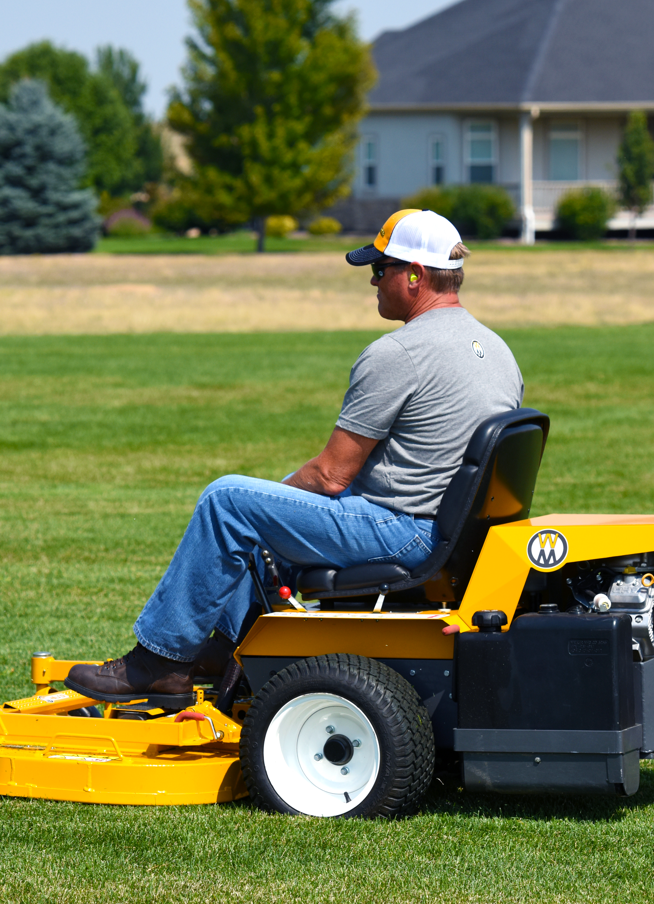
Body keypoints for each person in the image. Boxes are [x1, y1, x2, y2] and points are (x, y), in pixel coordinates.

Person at [67, 209, 524, 706]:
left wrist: (267, 505)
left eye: (380, 270)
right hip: (454, 533)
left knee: (229, 502)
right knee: (259, 509)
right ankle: (222, 649)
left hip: (405, 531)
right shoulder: (498, 349)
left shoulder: (400, 353)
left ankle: (157, 662)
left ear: (414, 275)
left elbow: (330, 474)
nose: (372, 281)